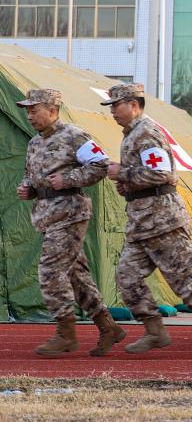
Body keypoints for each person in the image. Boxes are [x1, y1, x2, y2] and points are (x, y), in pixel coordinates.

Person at [102, 83, 192, 360]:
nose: (112, 112)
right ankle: (155, 330)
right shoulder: (131, 134)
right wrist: (128, 185)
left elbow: (161, 175)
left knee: (186, 282)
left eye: (116, 106)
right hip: (142, 224)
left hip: (164, 223)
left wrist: (124, 173)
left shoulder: (146, 132)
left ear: (133, 104)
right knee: (127, 277)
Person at [15, 88, 122, 357]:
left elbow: (100, 164)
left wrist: (69, 180)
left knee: (50, 273)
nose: (29, 115)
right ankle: (107, 326)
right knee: (76, 276)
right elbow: (33, 175)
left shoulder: (74, 136)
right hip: (47, 215)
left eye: (34, 109)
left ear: (52, 110)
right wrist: (28, 188)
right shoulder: (35, 142)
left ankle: (66, 334)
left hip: (70, 213)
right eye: (27, 110)